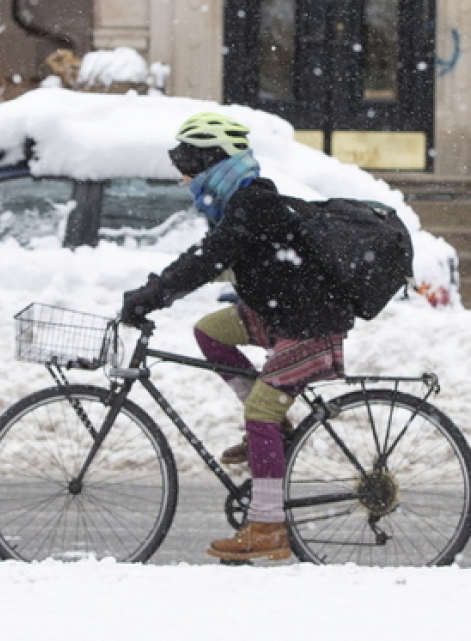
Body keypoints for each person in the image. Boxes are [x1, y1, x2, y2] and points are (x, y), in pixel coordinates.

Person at [120, 112, 353, 562]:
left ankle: (267, 527)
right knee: (210, 331)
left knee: (262, 410)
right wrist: (159, 288)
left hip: (311, 322)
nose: (184, 175)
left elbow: (210, 257)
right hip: (285, 312)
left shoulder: (253, 202)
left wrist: (155, 294)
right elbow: (215, 258)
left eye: (188, 162)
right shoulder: (238, 201)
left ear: (212, 159)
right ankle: (273, 430)